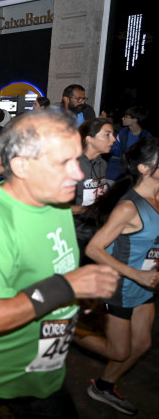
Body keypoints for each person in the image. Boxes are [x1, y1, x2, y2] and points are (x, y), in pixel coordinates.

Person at [0, 109, 120, 418]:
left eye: (76, 160)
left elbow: (53, 270)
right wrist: (67, 286)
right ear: (21, 166)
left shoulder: (57, 203)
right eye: (63, 163)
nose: (77, 174)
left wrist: (79, 293)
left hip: (44, 371)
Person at [75, 137, 159, 416]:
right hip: (121, 286)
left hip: (146, 286)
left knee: (142, 344)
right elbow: (94, 248)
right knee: (119, 352)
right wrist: (135, 273)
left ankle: (103, 386)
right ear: (145, 168)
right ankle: (62, 329)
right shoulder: (129, 207)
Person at [71, 118, 115, 262]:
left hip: (96, 234)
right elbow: (53, 207)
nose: (113, 139)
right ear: (89, 139)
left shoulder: (102, 164)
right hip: (74, 236)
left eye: (113, 134)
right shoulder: (72, 166)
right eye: (107, 134)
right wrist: (86, 209)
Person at [107, 106, 152, 182]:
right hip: (119, 163)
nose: (123, 118)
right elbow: (115, 149)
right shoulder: (123, 132)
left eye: (126, 117)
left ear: (135, 120)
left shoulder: (146, 136)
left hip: (136, 167)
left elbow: (146, 157)